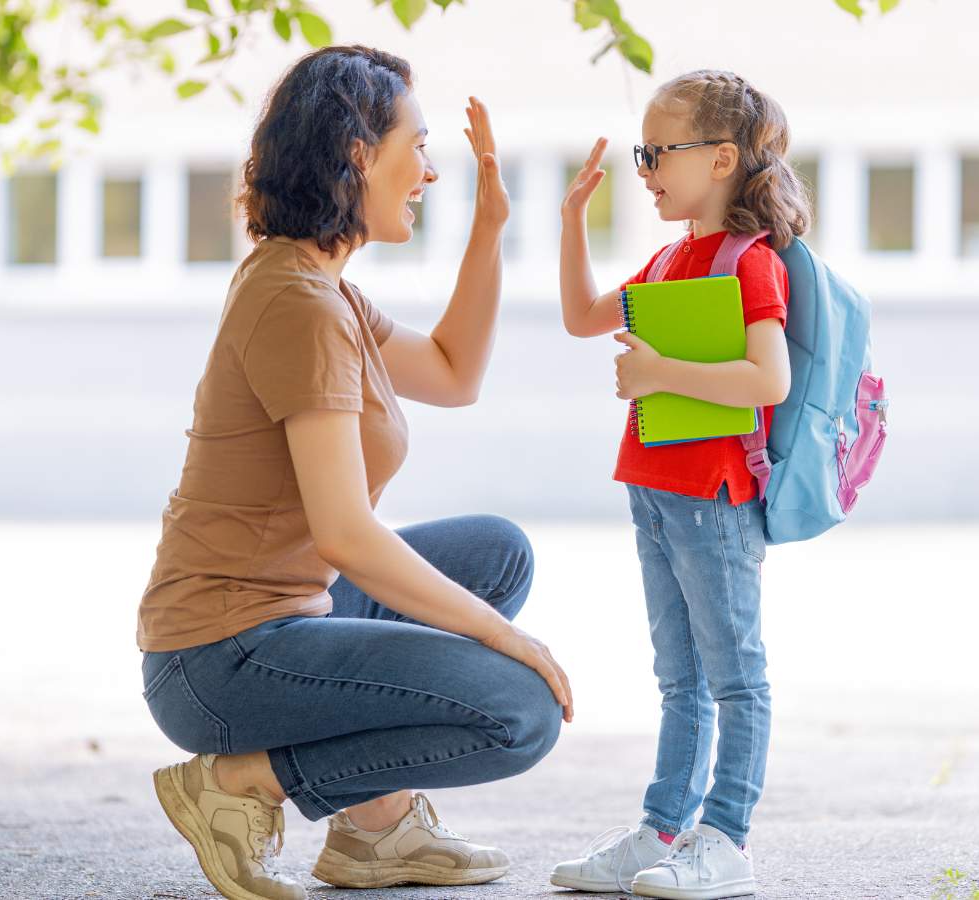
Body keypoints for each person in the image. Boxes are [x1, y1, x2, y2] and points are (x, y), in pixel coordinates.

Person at [137, 45, 572, 900]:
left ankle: (376, 833)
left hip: (289, 616)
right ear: (358, 153)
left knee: (496, 553)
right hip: (221, 659)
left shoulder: (319, 285)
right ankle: (238, 782)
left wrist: (489, 229)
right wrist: (501, 635)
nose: (430, 171)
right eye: (417, 145)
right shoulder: (299, 305)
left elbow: (453, 373)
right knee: (516, 712)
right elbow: (345, 531)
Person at [552, 69, 810, 900]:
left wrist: (662, 369)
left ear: (724, 158)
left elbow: (765, 381)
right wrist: (570, 221)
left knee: (734, 673)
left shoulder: (750, 263)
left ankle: (724, 838)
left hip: (715, 496)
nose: (646, 168)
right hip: (654, 491)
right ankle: (664, 828)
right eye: (644, 152)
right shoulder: (668, 257)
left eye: (659, 152)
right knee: (679, 677)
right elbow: (582, 317)